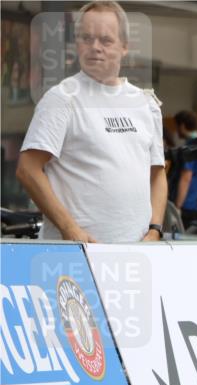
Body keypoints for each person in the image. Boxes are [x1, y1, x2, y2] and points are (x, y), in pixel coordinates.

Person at [15, 0, 166, 243]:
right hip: (75, 253)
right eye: (86, 38)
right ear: (77, 44)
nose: (95, 47)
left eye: (106, 40)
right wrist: (70, 229)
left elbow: (157, 174)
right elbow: (27, 169)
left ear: (125, 46)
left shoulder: (146, 104)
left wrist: (155, 230)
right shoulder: (62, 98)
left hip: (137, 254)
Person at [173, 110, 197, 225]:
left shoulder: (191, 146)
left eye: (176, 126)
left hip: (189, 205)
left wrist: (178, 206)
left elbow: (186, 177)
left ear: (182, 126)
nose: (176, 130)